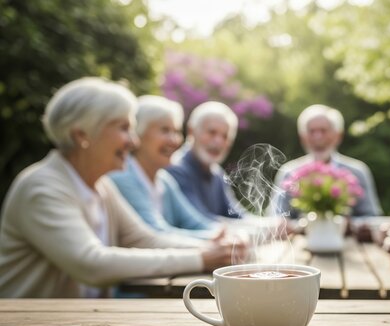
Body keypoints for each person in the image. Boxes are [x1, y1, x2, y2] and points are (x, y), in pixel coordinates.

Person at [0, 78, 246, 298]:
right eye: (123, 128)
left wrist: (214, 250)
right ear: (81, 135)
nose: (133, 141)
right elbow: (92, 264)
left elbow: (144, 239)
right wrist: (201, 257)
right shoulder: (42, 187)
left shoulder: (101, 187)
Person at [109, 95, 221, 239]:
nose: (174, 140)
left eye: (176, 132)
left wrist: (225, 235)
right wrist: (218, 240)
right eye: (165, 130)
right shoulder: (122, 176)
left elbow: (195, 222)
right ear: (139, 134)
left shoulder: (165, 180)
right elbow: (155, 232)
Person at [270, 104, 382, 218]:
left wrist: (348, 225)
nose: (318, 137)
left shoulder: (357, 171)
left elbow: (371, 217)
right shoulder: (289, 173)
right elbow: (275, 218)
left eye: (324, 130)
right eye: (311, 131)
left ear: (338, 135)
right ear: (302, 137)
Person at [166, 101, 245, 221]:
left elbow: (236, 214)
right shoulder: (176, 169)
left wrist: (267, 225)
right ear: (191, 131)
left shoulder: (217, 173)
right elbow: (199, 220)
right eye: (212, 132)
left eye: (225, 136)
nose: (218, 142)